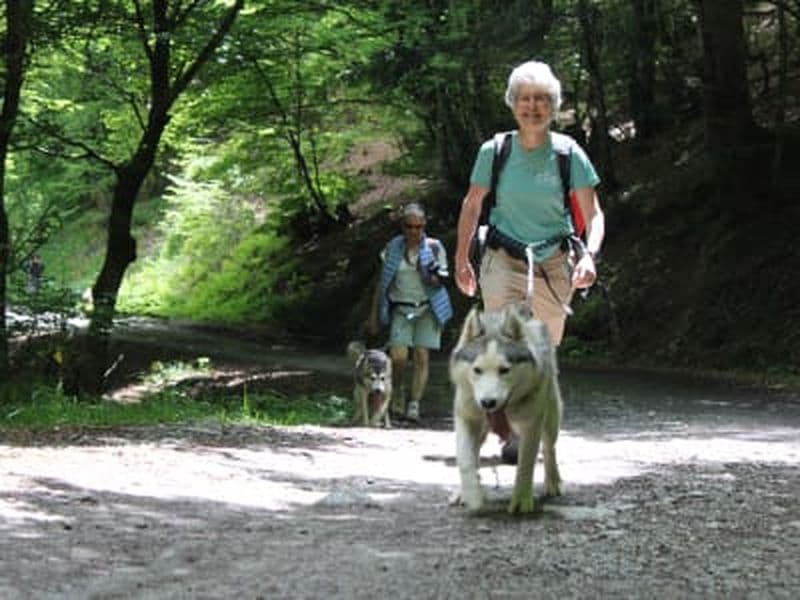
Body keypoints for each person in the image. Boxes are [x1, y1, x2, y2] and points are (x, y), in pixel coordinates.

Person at [453, 60, 605, 462]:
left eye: (541, 99)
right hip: (503, 257)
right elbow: (472, 206)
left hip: (554, 263)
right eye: (525, 99)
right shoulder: (495, 150)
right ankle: (511, 434)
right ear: (513, 104)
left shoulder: (568, 153)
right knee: (501, 348)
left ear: (552, 106)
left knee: (540, 352)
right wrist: (461, 261)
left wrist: (589, 256)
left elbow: (594, 216)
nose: (533, 106)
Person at [368, 203, 453, 422]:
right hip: (401, 307)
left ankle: (414, 404)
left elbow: (443, 279)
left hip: (428, 307)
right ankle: (397, 392)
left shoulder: (434, 247)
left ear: (424, 226)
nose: (414, 231)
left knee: (422, 356)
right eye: (409, 226)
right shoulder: (392, 248)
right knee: (398, 357)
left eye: (419, 226)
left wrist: (430, 275)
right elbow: (382, 282)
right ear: (402, 227)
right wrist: (374, 315)